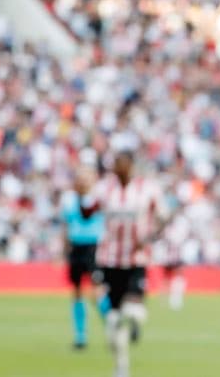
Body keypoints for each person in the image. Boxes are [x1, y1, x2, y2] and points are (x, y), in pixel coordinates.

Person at [81, 150, 169, 377]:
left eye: (123, 164)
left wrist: (148, 238)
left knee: (133, 311)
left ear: (131, 166)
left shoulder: (147, 189)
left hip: (135, 260)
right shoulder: (104, 188)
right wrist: (81, 192)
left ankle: (135, 322)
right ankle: (121, 367)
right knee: (113, 320)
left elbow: (164, 216)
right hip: (109, 260)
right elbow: (87, 212)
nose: (120, 168)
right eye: (116, 164)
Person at [60, 161, 108, 349]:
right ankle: (80, 336)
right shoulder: (69, 199)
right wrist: (64, 250)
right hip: (76, 247)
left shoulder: (98, 198)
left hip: (93, 248)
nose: (82, 181)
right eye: (79, 177)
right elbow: (66, 226)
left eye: (86, 177)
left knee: (97, 292)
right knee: (77, 291)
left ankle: (112, 324)